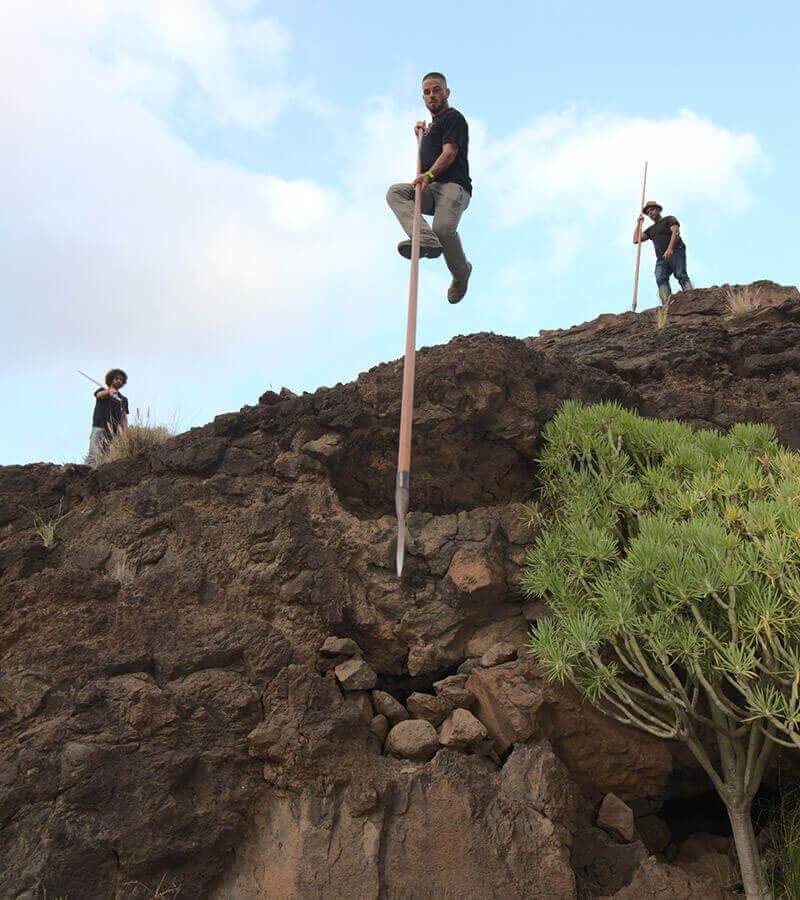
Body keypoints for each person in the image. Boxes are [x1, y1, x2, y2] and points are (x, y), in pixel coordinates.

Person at [386, 72, 473, 304]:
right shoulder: (431, 128)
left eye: (436, 90)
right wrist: (420, 136)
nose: (432, 95)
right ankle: (425, 239)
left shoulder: (453, 118)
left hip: (454, 187)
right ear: (423, 97)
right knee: (396, 192)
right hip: (432, 189)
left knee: (443, 230)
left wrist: (429, 174)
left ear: (447, 92)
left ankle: (461, 273)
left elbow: (450, 152)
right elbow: (429, 150)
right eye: (427, 92)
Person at [634, 201, 693, 306]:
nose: (650, 213)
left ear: (658, 209)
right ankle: (666, 304)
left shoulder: (669, 219)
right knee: (660, 277)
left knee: (680, 274)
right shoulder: (651, 230)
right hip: (661, 258)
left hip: (676, 250)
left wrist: (670, 249)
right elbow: (635, 239)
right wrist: (639, 223)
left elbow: (676, 232)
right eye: (648, 212)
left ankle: (691, 295)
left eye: (652, 210)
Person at [85, 369, 129, 466]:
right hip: (99, 427)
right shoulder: (102, 391)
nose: (119, 381)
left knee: (106, 455)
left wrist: (125, 432)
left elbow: (124, 417)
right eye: (116, 378)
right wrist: (108, 392)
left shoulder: (123, 399)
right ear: (111, 379)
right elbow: (98, 395)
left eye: (121, 380)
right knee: (94, 454)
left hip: (112, 432)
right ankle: (87, 473)